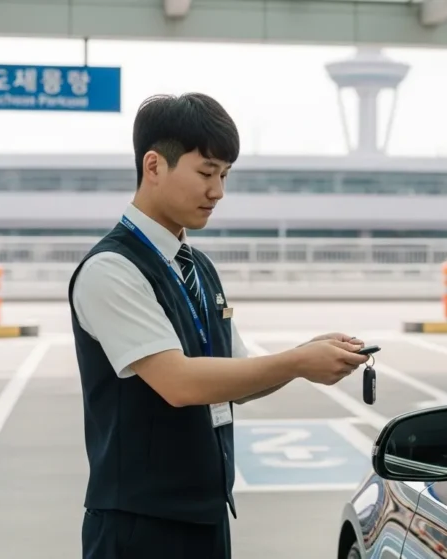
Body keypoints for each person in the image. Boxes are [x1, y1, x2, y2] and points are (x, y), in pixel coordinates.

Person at [69, 92, 370, 559]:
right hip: (139, 528)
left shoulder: (198, 268)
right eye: (206, 173)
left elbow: (237, 379)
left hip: (205, 517)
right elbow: (179, 383)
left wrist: (303, 355)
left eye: (225, 175)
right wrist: (297, 362)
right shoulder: (112, 269)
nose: (218, 192)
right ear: (154, 166)